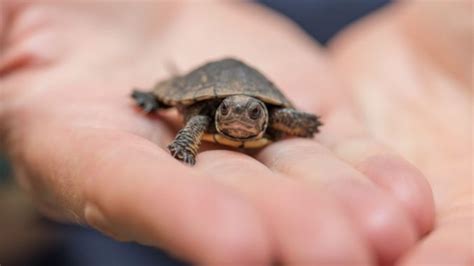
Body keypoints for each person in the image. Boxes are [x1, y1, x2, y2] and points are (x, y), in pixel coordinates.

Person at [0, 1, 470, 265]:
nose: (241, 115)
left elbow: (296, 117)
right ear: (221, 110)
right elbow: (193, 119)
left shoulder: (271, 116)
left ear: (262, 115)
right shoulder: (205, 114)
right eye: (233, 111)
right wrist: (182, 141)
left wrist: (298, 121)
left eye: (251, 113)